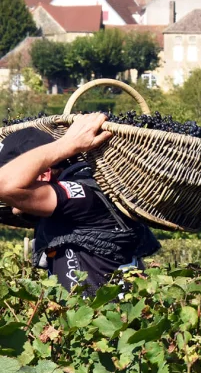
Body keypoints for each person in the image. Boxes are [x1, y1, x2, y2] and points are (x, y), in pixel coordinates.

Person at [0, 113, 159, 295]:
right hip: (90, 311)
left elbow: (4, 185)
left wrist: (67, 145)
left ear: (43, 174)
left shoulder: (83, 197)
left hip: (103, 313)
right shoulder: (62, 203)